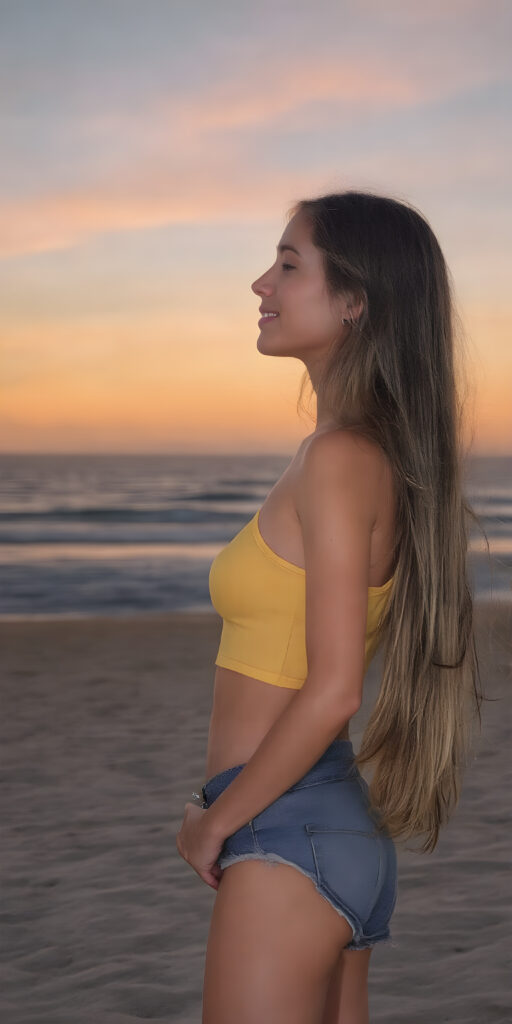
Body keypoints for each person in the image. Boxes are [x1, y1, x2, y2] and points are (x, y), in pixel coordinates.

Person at [176, 191, 484, 1024]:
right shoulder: (359, 452)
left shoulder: (342, 457)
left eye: (287, 264)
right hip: (322, 827)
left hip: (286, 830)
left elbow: (335, 687)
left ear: (356, 301)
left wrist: (217, 821)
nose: (260, 284)